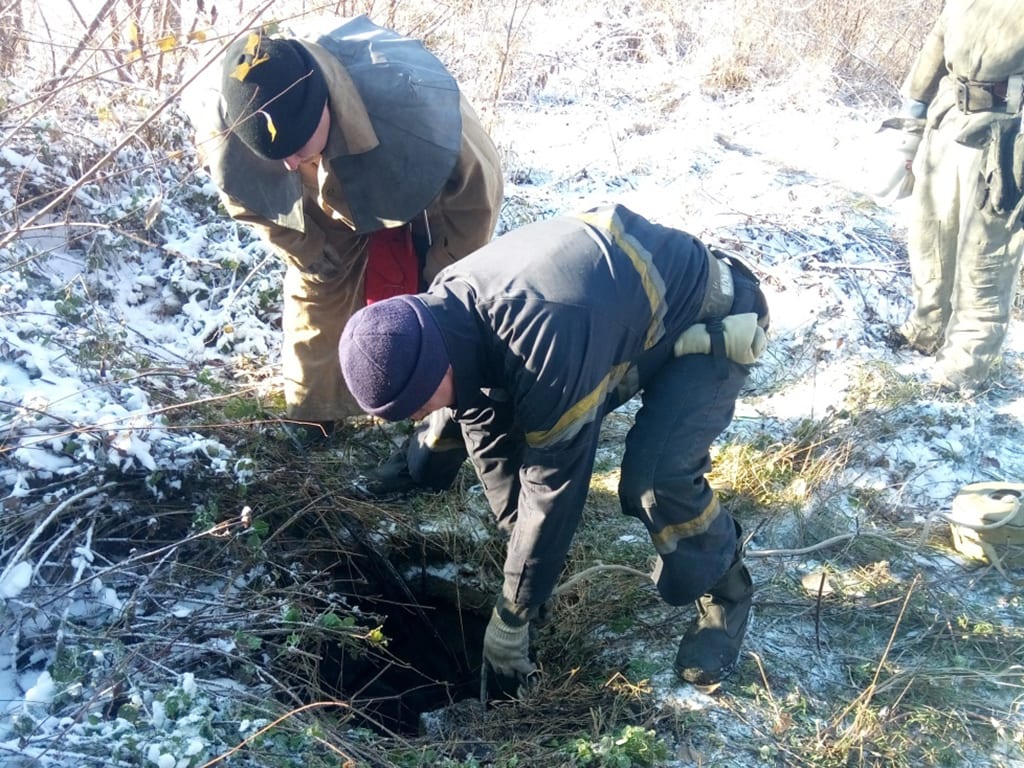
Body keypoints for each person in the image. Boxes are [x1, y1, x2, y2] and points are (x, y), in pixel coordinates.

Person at [337, 204, 770, 692]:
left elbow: (553, 485)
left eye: (414, 407)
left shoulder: (545, 346)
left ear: (438, 369)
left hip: (713, 313)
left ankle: (728, 592)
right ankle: (434, 477)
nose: (415, 417)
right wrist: (521, 557)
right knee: (479, 436)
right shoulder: (447, 308)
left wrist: (513, 611)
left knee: (655, 480)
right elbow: (486, 428)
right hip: (620, 311)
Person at [183, 15, 503, 493]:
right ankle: (315, 413)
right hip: (318, 201)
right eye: (278, 156)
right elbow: (246, 197)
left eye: (296, 148)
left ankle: (431, 440)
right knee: (316, 286)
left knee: (444, 315)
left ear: (323, 109)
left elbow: (476, 196)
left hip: (413, 183)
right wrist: (305, 246)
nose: (288, 162)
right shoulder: (229, 122)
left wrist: (446, 275)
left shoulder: (419, 111)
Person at [890, 0, 1024, 392]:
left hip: (1009, 134)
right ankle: (926, 329)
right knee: (931, 233)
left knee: (986, 255)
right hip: (950, 117)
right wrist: (913, 115)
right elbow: (938, 39)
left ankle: (963, 370)